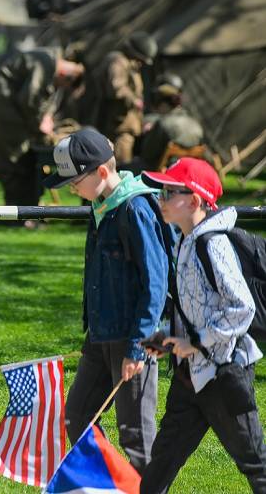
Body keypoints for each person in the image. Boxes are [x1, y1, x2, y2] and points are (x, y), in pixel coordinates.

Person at [44, 127, 170, 471]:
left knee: (136, 435)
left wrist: (138, 346)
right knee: (79, 416)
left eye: (75, 180)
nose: (71, 187)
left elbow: (155, 283)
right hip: (99, 334)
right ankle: (107, 484)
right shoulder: (99, 206)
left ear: (102, 171)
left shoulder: (135, 210)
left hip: (133, 336)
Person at [140, 158, 266, 493]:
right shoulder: (185, 240)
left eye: (169, 192)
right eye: (160, 191)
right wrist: (169, 335)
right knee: (159, 468)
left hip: (224, 377)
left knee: (256, 466)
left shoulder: (213, 244)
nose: (160, 199)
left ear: (194, 201)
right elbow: (198, 307)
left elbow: (243, 308)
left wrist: (196, 342)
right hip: (189, 377)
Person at [0, 48, 83, 207]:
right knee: (16, 159)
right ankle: (17, 213)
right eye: (60, 84)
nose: (57, 87)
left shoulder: (46, 60)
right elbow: (30, 99)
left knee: (22, 159)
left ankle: (24, 210)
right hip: (4, 109)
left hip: (5, 106)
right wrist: (40, 125)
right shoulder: (46, 64)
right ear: (65, 75)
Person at [93, 32, 158, 164]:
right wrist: (134, 101)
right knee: (120, 168)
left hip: (126, 127)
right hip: (118, 129)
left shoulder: (129, 65)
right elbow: (116, 88)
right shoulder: (118, 62)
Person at [139, 74, 204, 171]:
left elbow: (147, 154)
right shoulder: (196, 124)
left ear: (163, 102)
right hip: (187, 172)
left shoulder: (163, 123)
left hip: (163, 173)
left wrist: (148, 134)